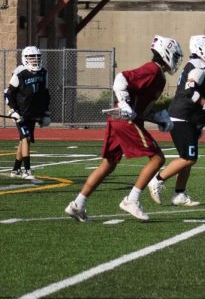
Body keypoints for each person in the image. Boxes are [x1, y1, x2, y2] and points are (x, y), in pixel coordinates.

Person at [64, 36, 182, 222]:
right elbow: (121, 78)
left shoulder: (159, 76)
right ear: (165, 53)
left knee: (109, 164)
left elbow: (142, 108)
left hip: (120, 119)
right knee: (158, 158)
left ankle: (78, 204)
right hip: (124, 120)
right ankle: (131, 200)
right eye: (175, 56)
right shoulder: (152, 70)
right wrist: (123, 103)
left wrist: (158, 118)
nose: (176, 60)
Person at [148, 35, 205, 207]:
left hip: (186, 116)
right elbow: (190, 90)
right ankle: (157, 180)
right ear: (201, 49)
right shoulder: (200, 66)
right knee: (189, 158)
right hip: (181, 116)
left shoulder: (196, 64)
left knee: (187, 158)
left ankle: (179, 194)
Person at [5, 46, 51, 180]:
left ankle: (15, 169)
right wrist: (13, 110)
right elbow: (8, 94)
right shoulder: (20, 73)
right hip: (21, 113)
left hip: (33, 112)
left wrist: (46, 112)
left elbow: (45, 94)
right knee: (26, 138)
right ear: (25, 58)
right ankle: (27, 170)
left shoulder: (43, 72)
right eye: (31, 57)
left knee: (24, 141)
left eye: (37, 57)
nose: (35, 60)